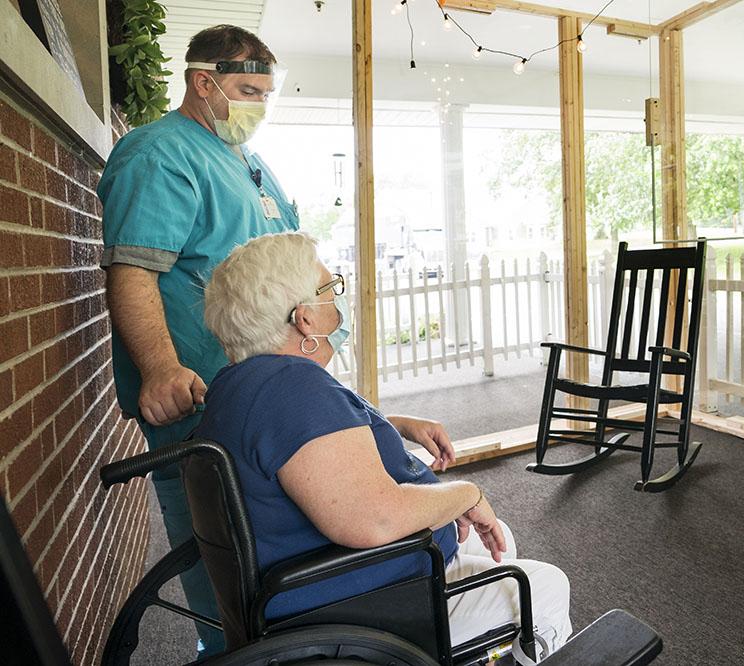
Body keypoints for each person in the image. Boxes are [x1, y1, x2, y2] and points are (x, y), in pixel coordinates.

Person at [194, 232, 572, 663]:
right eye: (327, 289)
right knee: (545, 587)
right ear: (304, 319)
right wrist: (468, 493)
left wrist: (392, 427)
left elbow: (307, 451)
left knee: (499, 539)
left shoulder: (237, 385)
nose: (337, 299)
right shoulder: (292, 387)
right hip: (359, 603)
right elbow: (373, 520)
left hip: (322, 583)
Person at [98, 25, 297, 654]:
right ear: (202, 82)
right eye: (245, 90)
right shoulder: (159, 153)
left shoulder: (247, 161)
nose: (256, 107)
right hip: (201, 401)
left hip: (264, 389)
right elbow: (134, 272)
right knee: (224, 566)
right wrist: (159, 367)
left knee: (276, 547)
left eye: (265, 94)